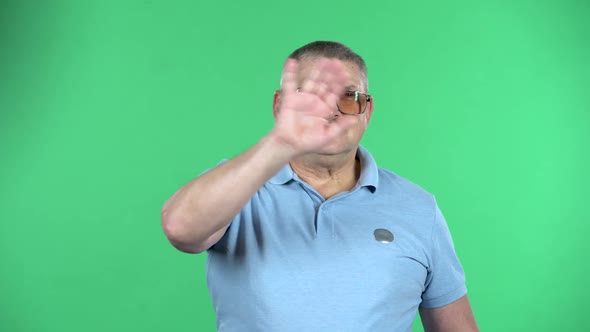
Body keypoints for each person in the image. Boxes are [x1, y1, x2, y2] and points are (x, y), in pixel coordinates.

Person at [161, 41, 479, 331]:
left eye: (349, 97)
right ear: (280, 105)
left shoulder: (418, 208)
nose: (331, 112)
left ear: (367, 112)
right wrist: (281, 142)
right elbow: (180, 229)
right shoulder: (237, 187)